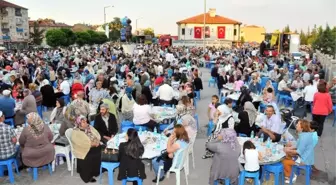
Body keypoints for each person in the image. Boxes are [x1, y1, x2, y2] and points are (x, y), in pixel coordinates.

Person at [71, 115, 101, 183]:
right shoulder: (76, 132)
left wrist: (97, 141)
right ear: (79, 124)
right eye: (83, 122)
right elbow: (79, 143)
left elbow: (97, 134)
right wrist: (91, 144)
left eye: (86, 121)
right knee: (90, 157)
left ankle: (97, 171)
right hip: (83, 149)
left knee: (102, 150)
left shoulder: (89, 127)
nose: (86, 123)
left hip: (94, 145)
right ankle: (88, 176)